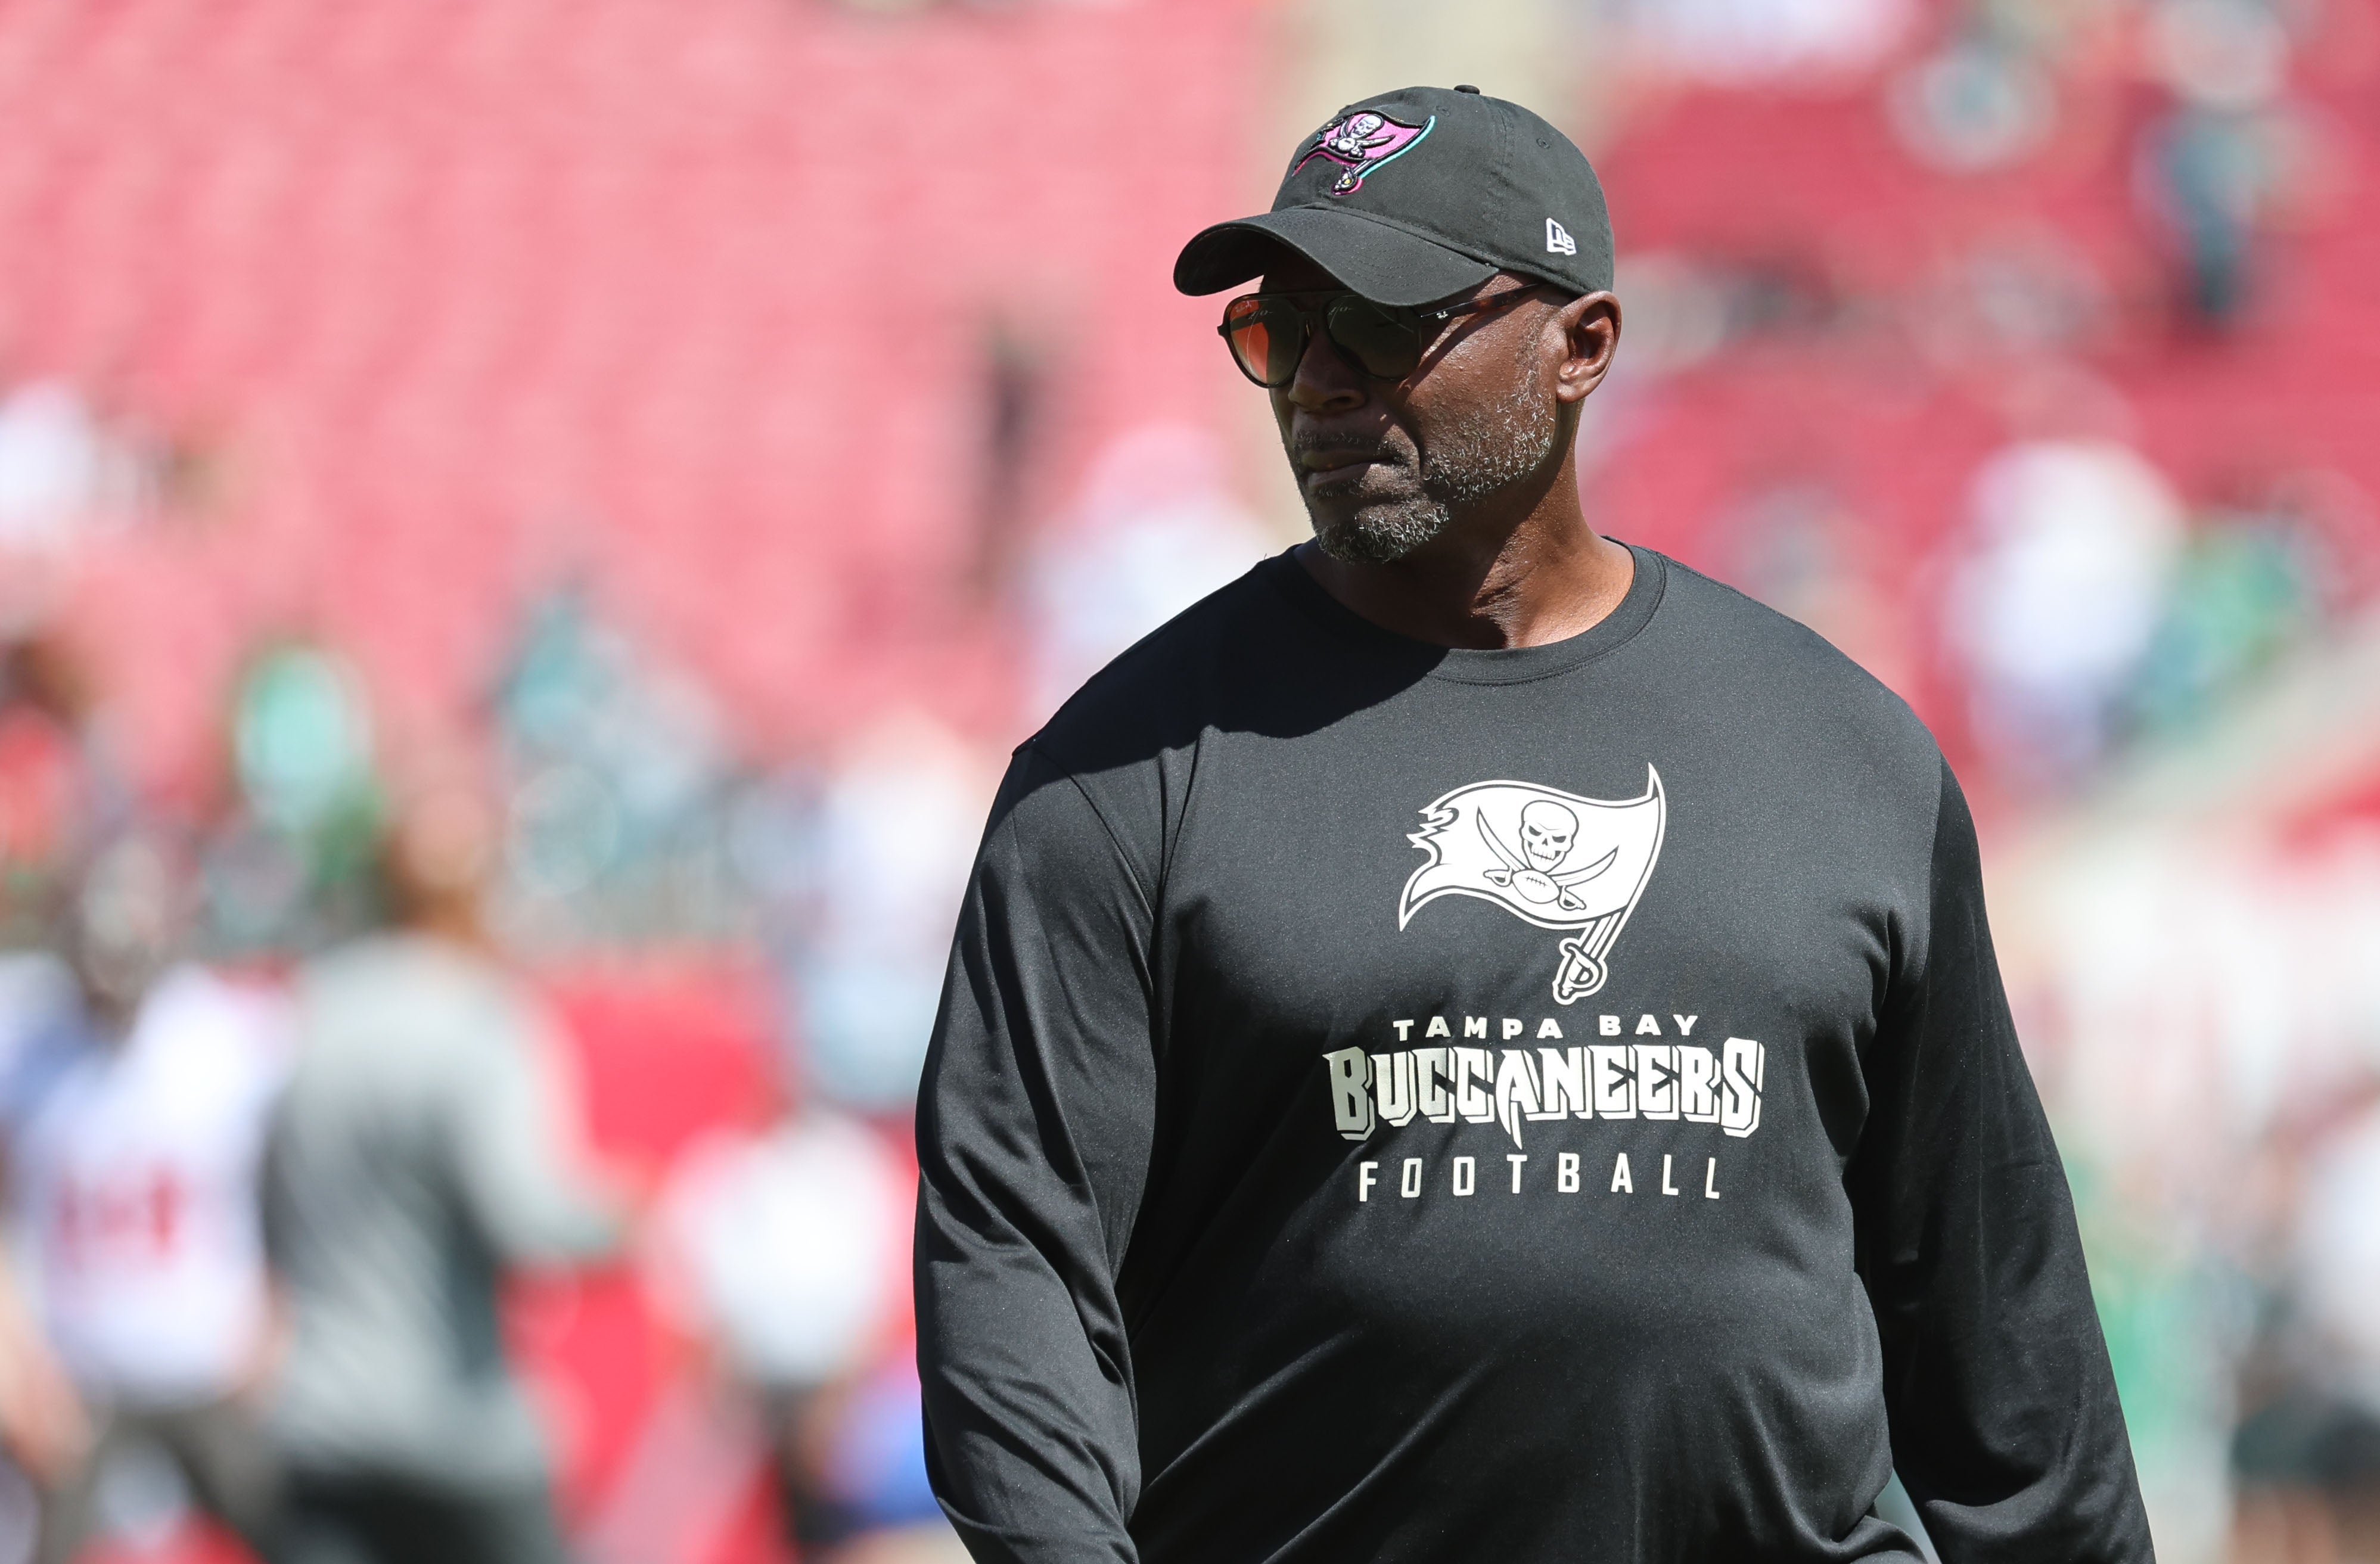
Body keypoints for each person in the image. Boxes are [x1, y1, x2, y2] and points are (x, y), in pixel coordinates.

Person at [914, 84, 2152, 1563]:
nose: (1316, 382)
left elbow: (1996, 1314)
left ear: (1579, 347)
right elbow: (1015, 1278)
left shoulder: (1839, 754)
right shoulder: (1121, 773)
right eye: (1278, 331)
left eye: (1375, 324)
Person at [263, 787, 628, 1564]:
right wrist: (625, 1214)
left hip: (322, 1417)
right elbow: (528, 1221)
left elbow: (268, 1200)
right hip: (456, 1430)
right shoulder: (482, 1019)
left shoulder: (312, 1012)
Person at [0, 830, 290, 1564]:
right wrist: (14, 1352)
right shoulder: (25, 1030)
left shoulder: (229, 1036)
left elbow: (297, 1183)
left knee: (284, 1536)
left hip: (207, 1366)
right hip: (77, 1378)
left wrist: (276, 1311)